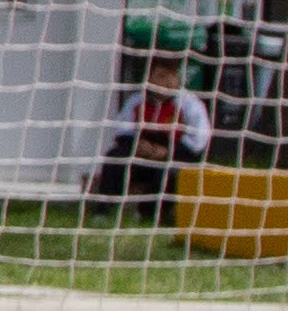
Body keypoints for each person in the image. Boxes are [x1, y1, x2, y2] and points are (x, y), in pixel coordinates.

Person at [89, 48, 208, 218]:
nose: (168, 82)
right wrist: (138, 147)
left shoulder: (190, 104)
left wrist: (167, 152)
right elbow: (123, 130)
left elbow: (199, 140)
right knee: (114, 158)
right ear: (149, 77)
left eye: (172, 76)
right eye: (161, 76)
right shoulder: (137, 101)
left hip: (175, 154)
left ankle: (152, 213)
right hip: (142, 152)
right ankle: (103, 210)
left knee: (168, 173)